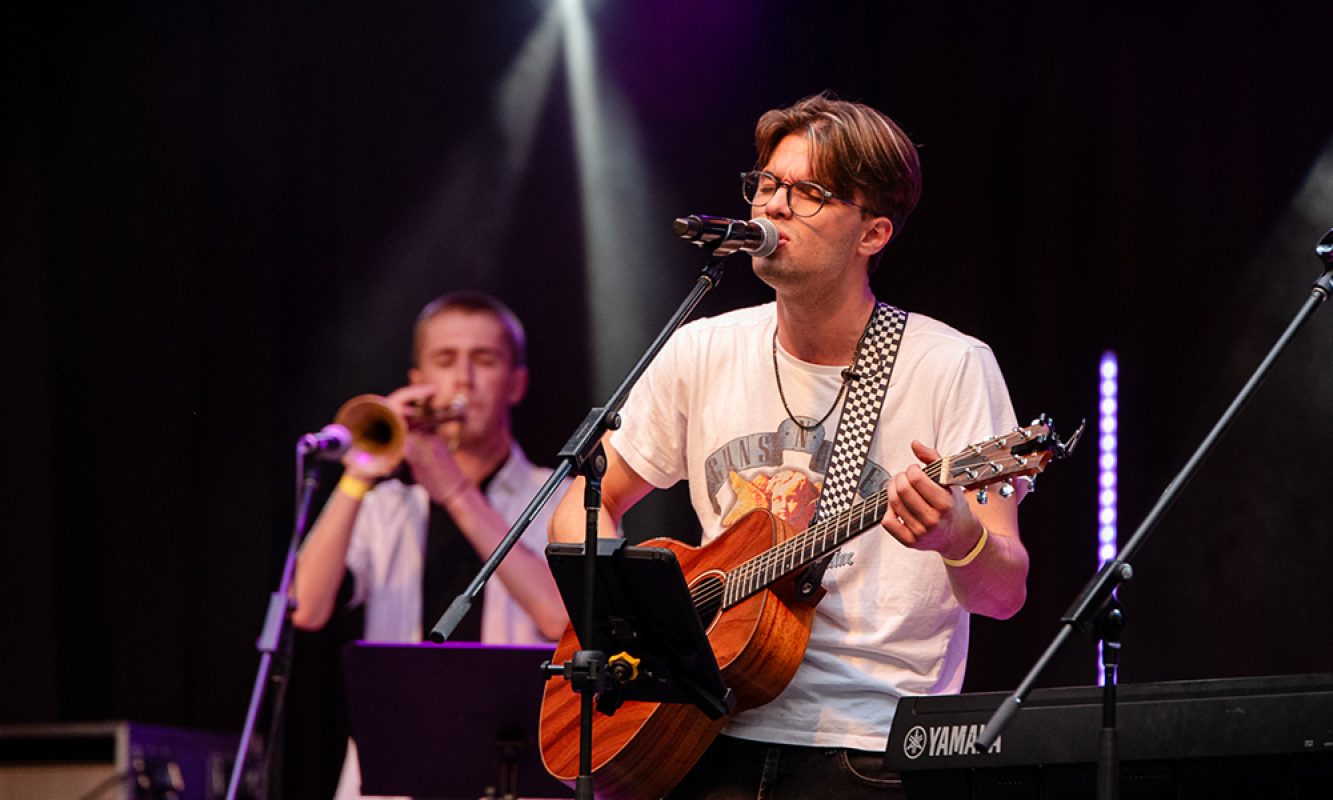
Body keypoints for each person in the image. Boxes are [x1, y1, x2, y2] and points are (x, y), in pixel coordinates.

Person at [549, 92, 1029, 799]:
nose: (772, 206)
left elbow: (1004, 592)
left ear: (872, 233)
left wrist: (956, 540)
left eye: (808, 193)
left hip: (865, 751)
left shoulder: (949, 366)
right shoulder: (701, 348)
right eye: (766, 184)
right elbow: (585, 505)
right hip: (701, 733)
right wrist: (628, 631)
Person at [293, 290, 570, 800]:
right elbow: (306, 608)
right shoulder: (386, 506)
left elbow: (562, 619)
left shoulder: (558, 496)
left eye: (483, 360)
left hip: (520, 776)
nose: (463, 379)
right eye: (445, 361)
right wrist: (359, 476)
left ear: (516, 384)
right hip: (393, 782)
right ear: (418, 383)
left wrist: (456, 493)